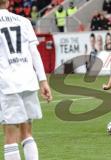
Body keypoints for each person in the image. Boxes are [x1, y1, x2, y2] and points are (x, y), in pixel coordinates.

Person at [0, 0, 53, 160]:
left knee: (10, 134)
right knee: (27, 132)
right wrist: (43, 81)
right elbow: (34, 52)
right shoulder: (24, 21)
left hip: (7, 84)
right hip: (28, 81)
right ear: (8, 2)